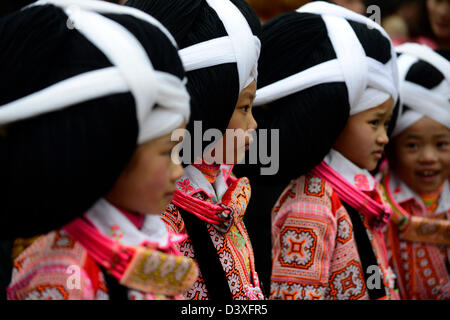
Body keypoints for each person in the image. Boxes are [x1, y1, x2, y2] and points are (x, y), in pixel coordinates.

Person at [3, 0, 196, 300]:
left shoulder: (146, 234)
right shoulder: (63, 278)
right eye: (166, 151)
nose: (178, 169)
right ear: (110, 154)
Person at [243, 1, 400, 300]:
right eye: (374, 122)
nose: (384, 137)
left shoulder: (357, 190)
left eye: (386, 123)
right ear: (334, 118)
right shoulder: (309, 207)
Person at [126, 0, 264, 300]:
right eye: (243, 107)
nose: (254, 123)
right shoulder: (159, 216)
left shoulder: (225, 190)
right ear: (206, 107)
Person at [378, 43, 450, 300]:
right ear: (392, 146)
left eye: (442, 144)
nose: (428, 158)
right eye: (413, 145)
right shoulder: (378, 203)